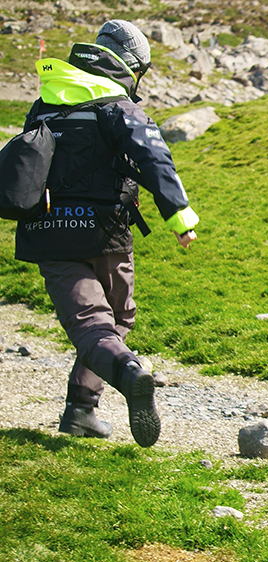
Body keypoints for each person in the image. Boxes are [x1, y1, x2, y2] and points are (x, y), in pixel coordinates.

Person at [15, 20, 200, 447]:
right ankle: (125, 375)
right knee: (114, 322)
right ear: (131, 66)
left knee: (90, 324)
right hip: (105, 233)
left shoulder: (47, 102)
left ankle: (81, 410)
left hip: (49, 231)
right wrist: (180, 219)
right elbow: (156, 160)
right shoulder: (120, 106)